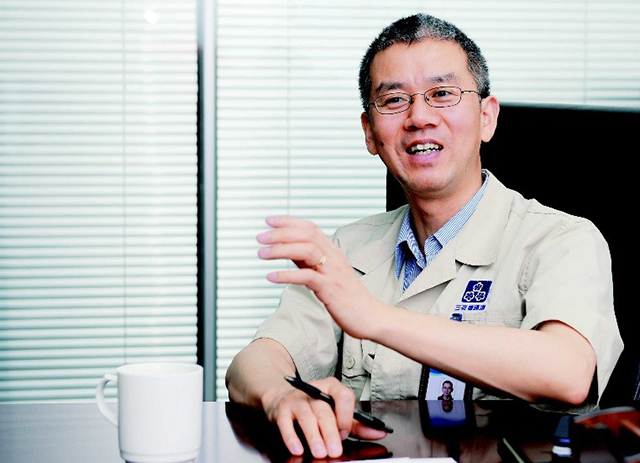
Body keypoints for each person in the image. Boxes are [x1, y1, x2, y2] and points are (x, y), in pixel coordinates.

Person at [225, 13, 623, 460]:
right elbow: (252, 363)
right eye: (394, 100)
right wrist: (280, 395)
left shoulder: (561, 239)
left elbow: (568, 372)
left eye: (442, 94)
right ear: (370, 133)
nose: (419, 117)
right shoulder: (349, 247)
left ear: (486, 117)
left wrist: (373, 318)